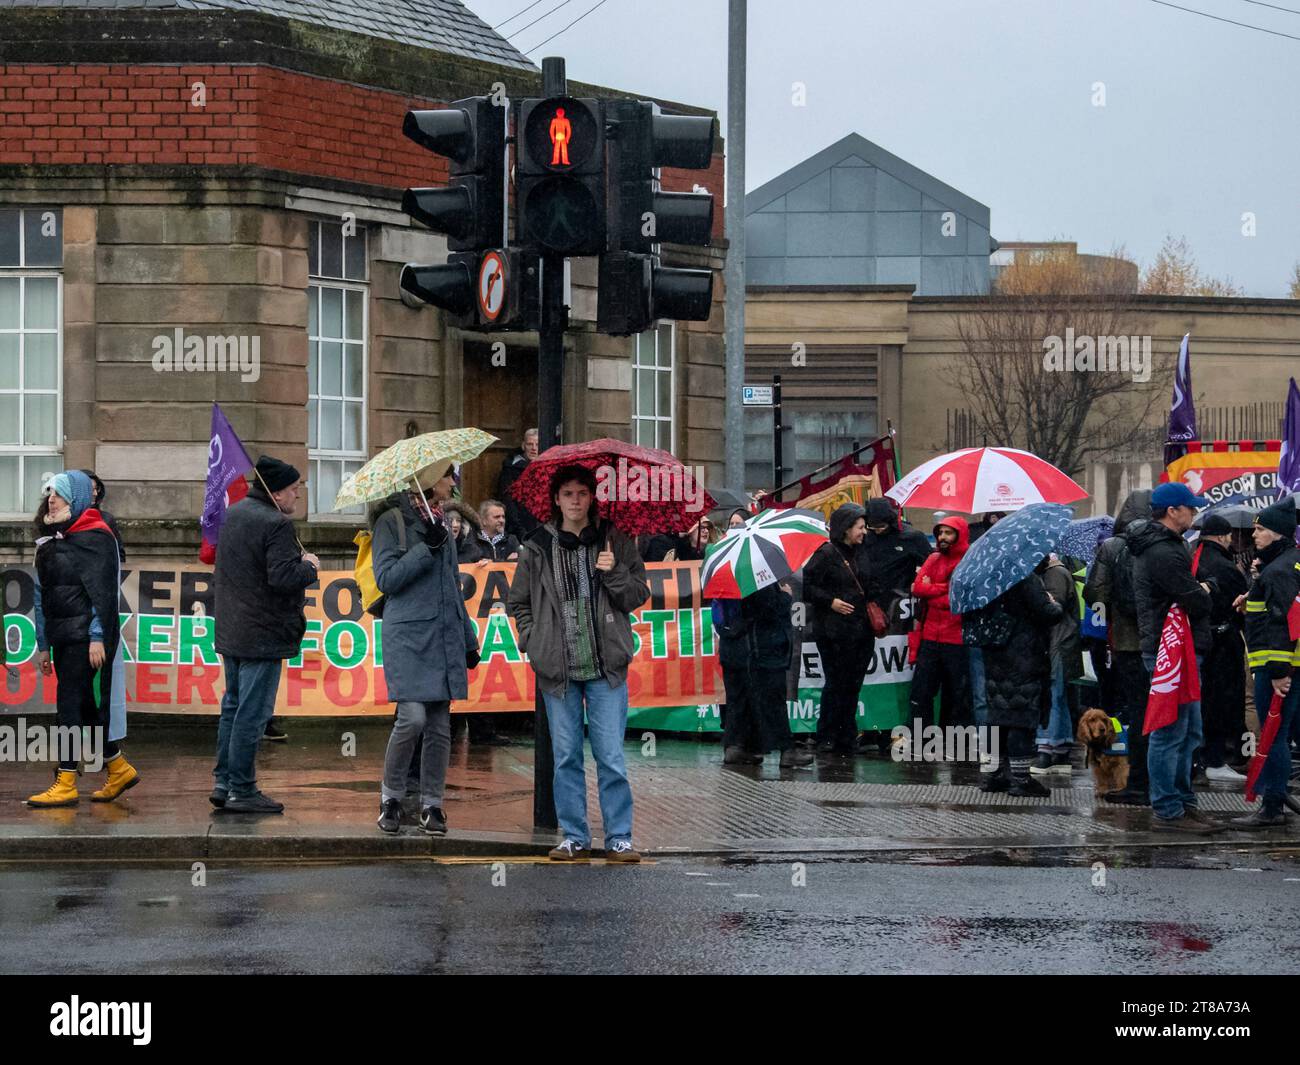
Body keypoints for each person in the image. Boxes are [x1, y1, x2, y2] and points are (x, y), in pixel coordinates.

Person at [507, 464, 649, 862]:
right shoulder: (537, 546)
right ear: (556, 499)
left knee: (610, 757)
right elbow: (518, 602)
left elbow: (639, 593)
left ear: (592, 498)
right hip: (558, 669)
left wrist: (615, 573)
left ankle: (619, 837)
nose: (574, 501)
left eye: (582, 494)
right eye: (567, 493)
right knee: (566, 756)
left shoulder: (613, 540)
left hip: (605, 669)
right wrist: (533, 640)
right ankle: (574, 836)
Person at [373, 464, 479, 835]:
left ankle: (432, 805)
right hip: (407, 637)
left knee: (439, 726)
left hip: (444, 635)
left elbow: (452, 587)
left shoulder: (442, 524)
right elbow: (386, 579)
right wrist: (425, 548)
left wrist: (469, 640)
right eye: (449, 476)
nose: (454, 482)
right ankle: (391, 797)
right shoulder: (391, 521)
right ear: (429, 478)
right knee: (412, 718)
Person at [210, 456, 319, 815]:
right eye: (293, 489)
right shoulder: (276, 524)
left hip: (233, 630)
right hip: (262, 633)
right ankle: (243, 788)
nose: (298, 495)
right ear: (275, 492)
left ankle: (224, 783)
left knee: (232, 707)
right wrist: (309, 567)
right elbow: (282, 577)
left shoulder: (235, 514)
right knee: (252, 714)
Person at [26, 471, 140, 808]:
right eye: (49, 494)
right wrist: (43, 643)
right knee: (85, 707)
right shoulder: (50, 542)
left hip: (83, 640)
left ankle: (65, 780)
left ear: (74, 497)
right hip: (61, 637)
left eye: (59, 494)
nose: (51, 499)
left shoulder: (97, 537)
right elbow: (40, 594)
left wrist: (95, 637)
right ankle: (118, 767)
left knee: (69, 708)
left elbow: (102, 594)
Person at [1128, 482, 1220, 834]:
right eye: (1190, 508)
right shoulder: (1162, 551)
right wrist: (1205, 591)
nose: (1194, 513)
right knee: (1170, 731)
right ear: (1172, 511)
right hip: (1172, 651)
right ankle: (1167, 809)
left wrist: (1199, 591)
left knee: (1188, 731)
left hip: (1179, 647)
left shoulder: (1166, 546)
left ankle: (1183, 802)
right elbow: (1195, 600)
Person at [1230, 498, 1300, 828]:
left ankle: (1272, 807)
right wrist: (1252, 597)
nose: (1254, 535)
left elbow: (1283, 622)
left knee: (1273, 735)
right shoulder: (1284, 564)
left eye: (1260, 529)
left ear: (1277, 533)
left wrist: (1278, 672)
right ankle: (1274, 800)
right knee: (1279, 734)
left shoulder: (1280, 570)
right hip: (1280, 668)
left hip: (1275, 670)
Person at [1085, 488, 1151, 804]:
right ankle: (1153, 778)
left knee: (1133, 710)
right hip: (1161, 644)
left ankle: (1135, 778)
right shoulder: (1162, 544)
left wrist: (1116, 602)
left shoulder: (1111, 547)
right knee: (1158, 713)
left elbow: (1093, 593)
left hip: (1124, 640)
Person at [978, 560, 1064, 797]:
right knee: (1020, 718)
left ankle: (993, 775)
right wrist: (1053, 603)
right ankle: (1021, 779)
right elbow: (1048, 613)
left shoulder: (989, 575)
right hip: (1023, 655)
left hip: (995, 654)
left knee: (998, 717)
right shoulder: (1025, 577)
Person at [858, 497, 932, 751]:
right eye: (872, 527)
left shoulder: (912, 538)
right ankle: (872, 728)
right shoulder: (865, 538)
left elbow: (931, 565)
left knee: (896, 675)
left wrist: (919, 584)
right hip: (871, 614)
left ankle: (895, 728)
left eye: (880, 526)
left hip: (900, 620)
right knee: (871, 675)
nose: (876, 531)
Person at [715, 581, 813, 768]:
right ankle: (787, 750)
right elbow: (767, 609)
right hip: (759, 651)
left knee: (738, 701)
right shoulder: (755, 577)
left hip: (732, 650)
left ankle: (735, 746)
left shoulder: (725, 577)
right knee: (774, 700)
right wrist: (785, 596)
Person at [803, 503, 873, 755]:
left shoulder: (863, 552)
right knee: (836, 683)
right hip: (833, 632)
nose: (864, 532)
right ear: (846, 528)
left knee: (853, 685)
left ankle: (847, 735)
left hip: (861, 632)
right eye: (860, 527)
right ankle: (827, 735)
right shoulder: (826, 553)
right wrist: (830, 602)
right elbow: (808, 588)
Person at [1192, 513, 1250, 781]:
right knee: (1223, 701)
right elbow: (1240, 609)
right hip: (1224, 643)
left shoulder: (1191, 556)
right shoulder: (1226, 568)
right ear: (1221, 537)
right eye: (1229, 537)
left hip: (1196, 640)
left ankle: (1200, 759)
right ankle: (1216, 758)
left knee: (1200, 701)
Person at [908, 516, 971, 735]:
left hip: (956, 639)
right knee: (921, 691)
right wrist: (944, 587)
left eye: (948, 533)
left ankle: (956, 739)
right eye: (940, 533)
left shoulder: (968, 561)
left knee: (957, 694)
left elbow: (955, 601)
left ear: (959, 535)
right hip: (929, 637)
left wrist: (931, 588)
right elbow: (916, 588)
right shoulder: (934, 558)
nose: (942, 537)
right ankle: (920, 737)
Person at [1030, 553, 1083, 775]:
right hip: (1059, 641)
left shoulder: (1055, 574)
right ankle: (1061, 747)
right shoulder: (1052, 572)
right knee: (1059, 695)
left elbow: (1052, 609)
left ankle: (1047, 746)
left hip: (1057, 642)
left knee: (1052, 694)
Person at [496, 428, 540, 540]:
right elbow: (507, 501)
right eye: (530, 444)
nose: (534, 448)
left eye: (537, 444)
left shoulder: (546, 468)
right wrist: (519, 530)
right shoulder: (511, 469)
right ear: (523, 446)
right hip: (518, 527)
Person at [78, 469, 125, 564]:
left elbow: (119, 555)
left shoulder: (106, 519)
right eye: (90, 489)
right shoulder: (63, 519)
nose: (95, 493)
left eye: (96, 489)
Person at [642, 517, 714, 563]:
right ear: (690, 530)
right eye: (701, 527)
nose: (706, 531)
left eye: (708, 528)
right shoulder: (668, 546)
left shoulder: (711, 553)